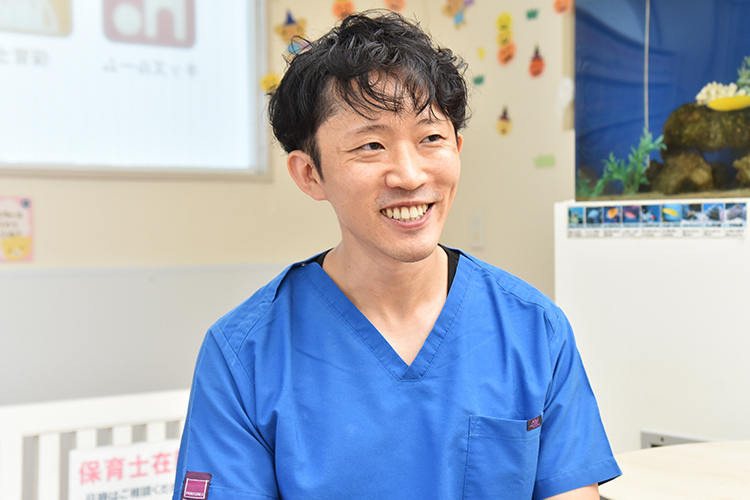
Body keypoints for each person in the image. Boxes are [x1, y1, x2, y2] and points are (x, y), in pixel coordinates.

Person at [173, 10, 620, 500]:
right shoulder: (245, 355)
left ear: (457, 148)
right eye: (371, 145)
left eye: (431, 138)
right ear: (309, 174)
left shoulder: (533, 329)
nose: (409, 175)